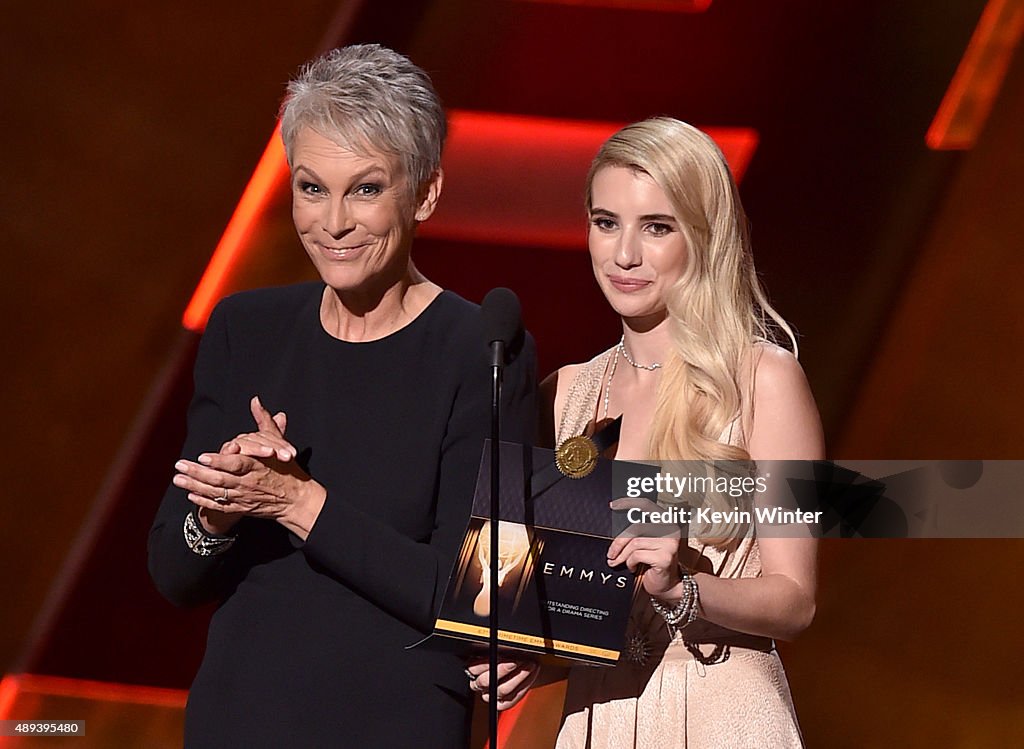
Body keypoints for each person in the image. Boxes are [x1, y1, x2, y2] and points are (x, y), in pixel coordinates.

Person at [148, 44, 535, 748]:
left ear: (425, 192)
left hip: (396, 722)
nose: (333, 222)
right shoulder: (246, 330)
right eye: (310, 187)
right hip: (239, 719)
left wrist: (298, 502)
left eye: (365, 189)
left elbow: (477, 597)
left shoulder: (480, 348)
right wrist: (217, 512)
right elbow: (174, 574)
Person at [468, 117, 824, 747]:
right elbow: (573, 602)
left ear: (703, 236)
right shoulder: (564, 393)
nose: (623, 254)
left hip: (720, 707)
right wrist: (527, 655)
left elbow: (796, 601)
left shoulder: (764, 379)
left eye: (656, 227)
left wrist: (683, 588)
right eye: (606, 223)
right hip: (594, 719)